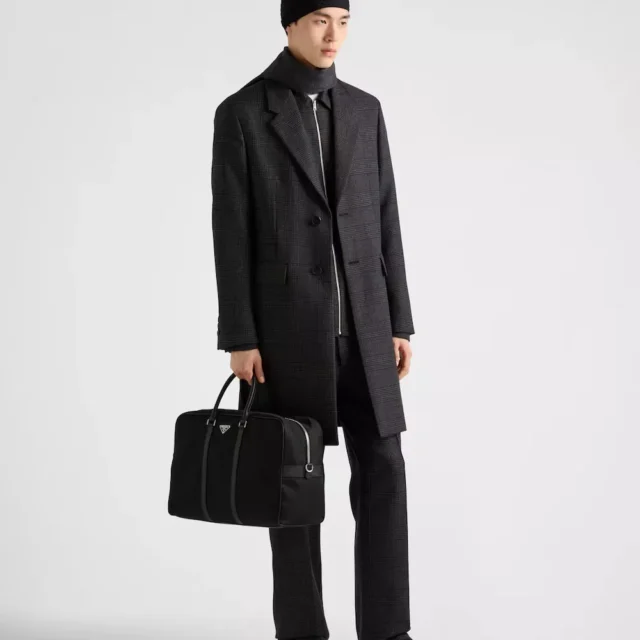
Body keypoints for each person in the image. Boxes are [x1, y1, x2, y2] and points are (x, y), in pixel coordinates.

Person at [210, 2, 415, 639]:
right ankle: (301, 633)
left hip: (367, 331)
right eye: (321, 20)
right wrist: (240, 336)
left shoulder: (364, 110)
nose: (334, 35)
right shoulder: (243, 113)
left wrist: (400, 321)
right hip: (284, 339)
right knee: (293, 492)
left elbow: (386, 219)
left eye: (344, 22)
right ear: (290, 24)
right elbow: (230, 233)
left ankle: (388, 631)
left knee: (385, 475)